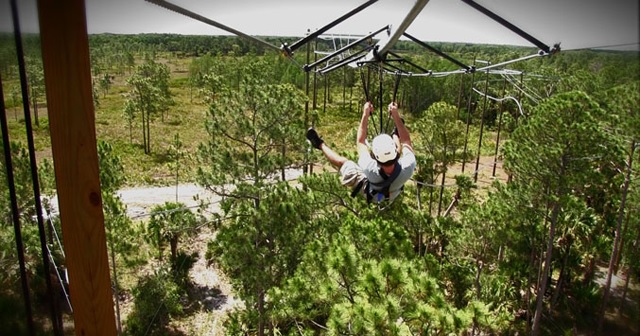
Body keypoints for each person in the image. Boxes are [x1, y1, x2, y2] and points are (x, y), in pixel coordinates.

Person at [306, 101, 416, 204]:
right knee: (399, 154)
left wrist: (365, 113)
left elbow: (360, 141)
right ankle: (396, 133)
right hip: (391, 193)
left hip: (372, 194)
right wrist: (395, 115)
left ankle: (319, 144)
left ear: (374, 157)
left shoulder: (369, 167)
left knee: (343, 163)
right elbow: (406, 141)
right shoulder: (407, 167)